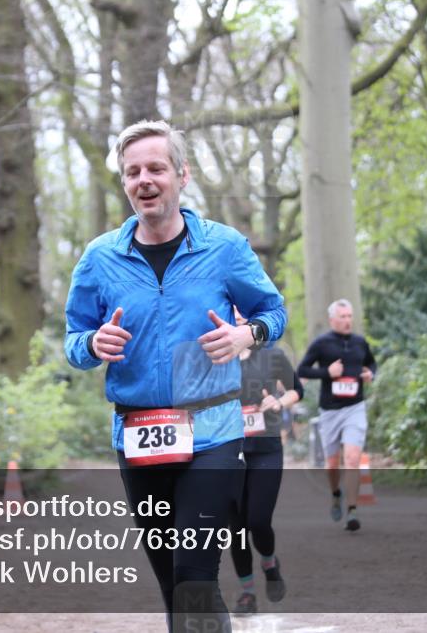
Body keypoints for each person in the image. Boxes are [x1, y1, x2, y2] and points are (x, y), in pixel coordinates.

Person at [64, 120, 287, 632]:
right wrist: (92, 344)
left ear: (181, 176)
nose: (145, 179)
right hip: (139, 436)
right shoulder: (100, 258)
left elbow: (273, 314)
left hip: (211, 432)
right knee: (175, 588)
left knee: (194, 575)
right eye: (133, 171)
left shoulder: (223, 248)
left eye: (156, 168)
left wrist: (245, 336)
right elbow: (74, 341)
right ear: (125, 183)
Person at [230, 307, 303, 615]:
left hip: (265, 448)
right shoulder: (214, 357)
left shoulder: (271, 355)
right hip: (226, 452)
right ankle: (247, 593)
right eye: (228, 309)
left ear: (249, 318)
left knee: (258, 521)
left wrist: (278, 401)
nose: (234, 314)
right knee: (235, 529)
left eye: (239, 310)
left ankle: (270, 565)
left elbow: (297, 390)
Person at [297, 299, 378, 532]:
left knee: (352, 458)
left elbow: (372, 364)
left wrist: (369, 374)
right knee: (332, 463)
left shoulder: (360, 343)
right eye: (342, 317)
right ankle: (336, 494)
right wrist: (327, 372)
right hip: (330, 411)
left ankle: (352, 511)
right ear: (332, 319)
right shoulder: (322, 344)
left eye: (350, 316)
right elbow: (302, 370)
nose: (347, 320)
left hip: (355, 408)